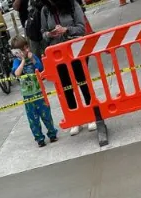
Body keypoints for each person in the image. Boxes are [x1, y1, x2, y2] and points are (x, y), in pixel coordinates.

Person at [40, 0, 96, 136]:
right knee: (66, 87)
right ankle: (76, 119)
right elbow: (42, 32)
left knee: (82, 81)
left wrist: (66, 30)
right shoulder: (45, 10)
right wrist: (49, 34)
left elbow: (81, 28)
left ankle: (91, 115)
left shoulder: (72, 4)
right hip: (57, 54)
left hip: (75, 49)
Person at [11, 36, 58, 147]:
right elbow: (17, 73)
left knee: (46, 114)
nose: (26, 50)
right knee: (33, 118)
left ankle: (52, 133)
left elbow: (41, 68)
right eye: (23, 49)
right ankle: (39, 138)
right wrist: (23, 60)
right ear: (17, 52)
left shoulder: (33, 56)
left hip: (39, 92)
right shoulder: (16, 62)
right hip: (28, 96)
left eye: (27, 47)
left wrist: (32, 60)